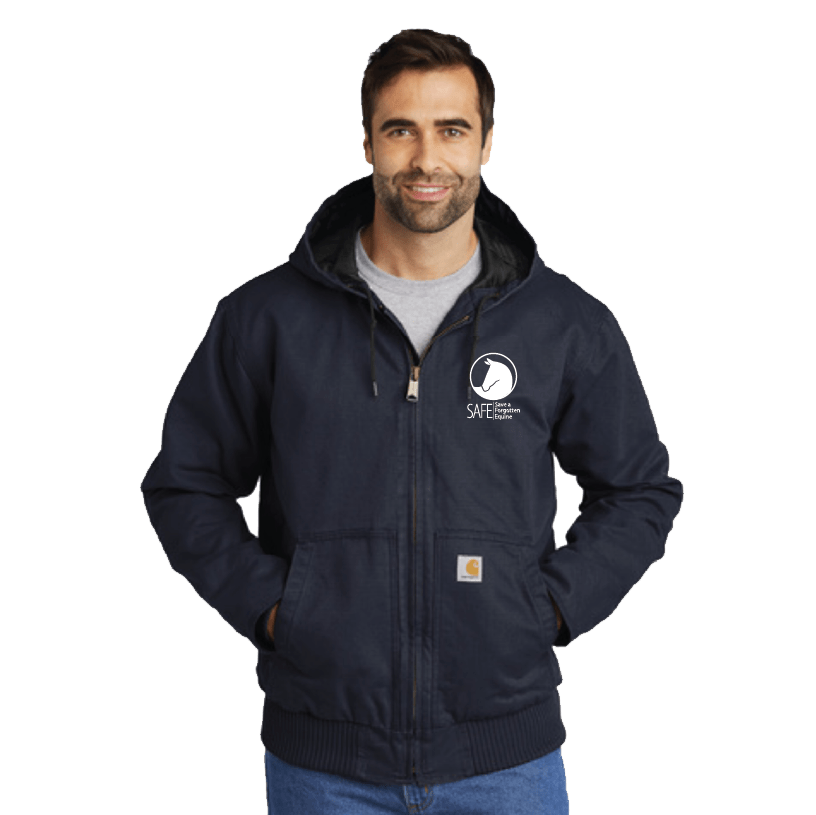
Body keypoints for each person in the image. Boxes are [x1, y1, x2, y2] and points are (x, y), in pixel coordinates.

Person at [141, 28, 683, 814]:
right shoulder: (266, 318)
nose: (427, 159)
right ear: (367, 142)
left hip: (507, 758)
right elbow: (185, 484)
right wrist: (276, 608)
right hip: (324, 761)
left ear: (487, 142)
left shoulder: (565, 323)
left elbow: (639, 490)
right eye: (401, 129)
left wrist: (550, 606)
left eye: (452, 130)